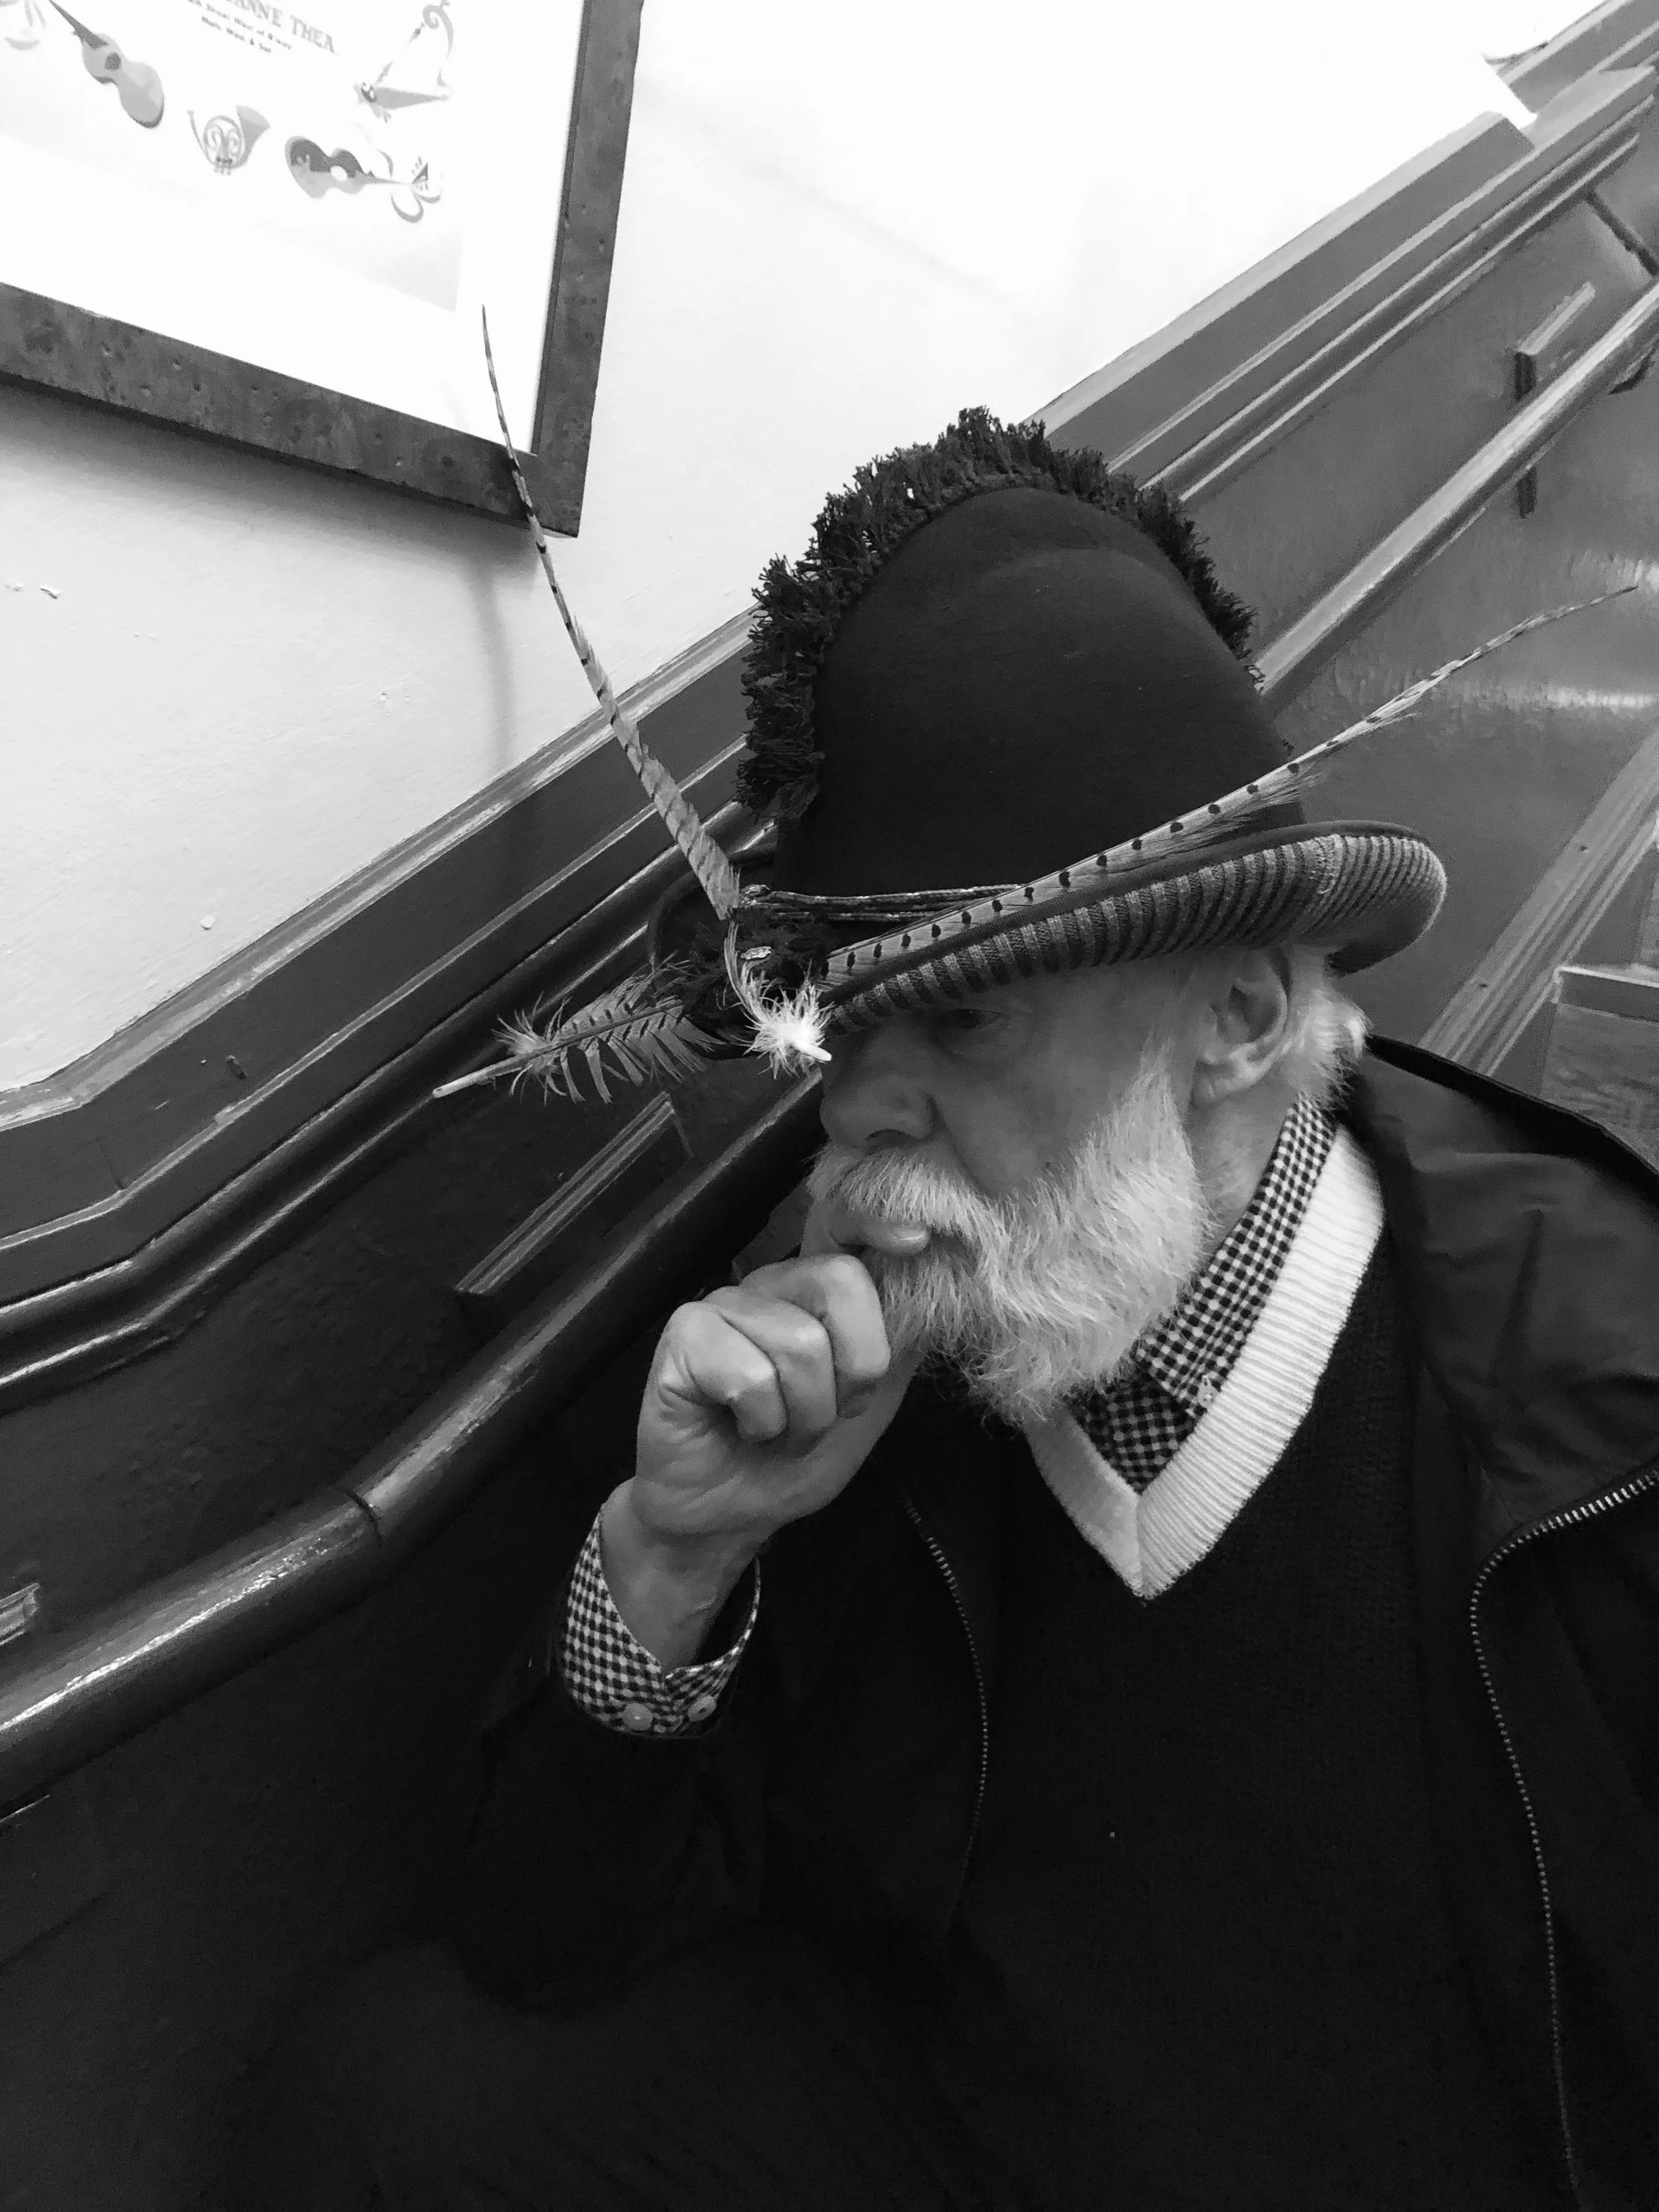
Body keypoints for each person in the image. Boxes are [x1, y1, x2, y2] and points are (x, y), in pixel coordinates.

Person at [246, 413, 1659, 2212]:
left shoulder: (1599, 1409)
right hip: (968, 2129)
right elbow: (548, 1945)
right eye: (845, 1031)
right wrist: (676, 1557)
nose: (854, 1114)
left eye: (968, 1020)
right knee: (394, 2093)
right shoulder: (861, 1333)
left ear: (1232, 1015)